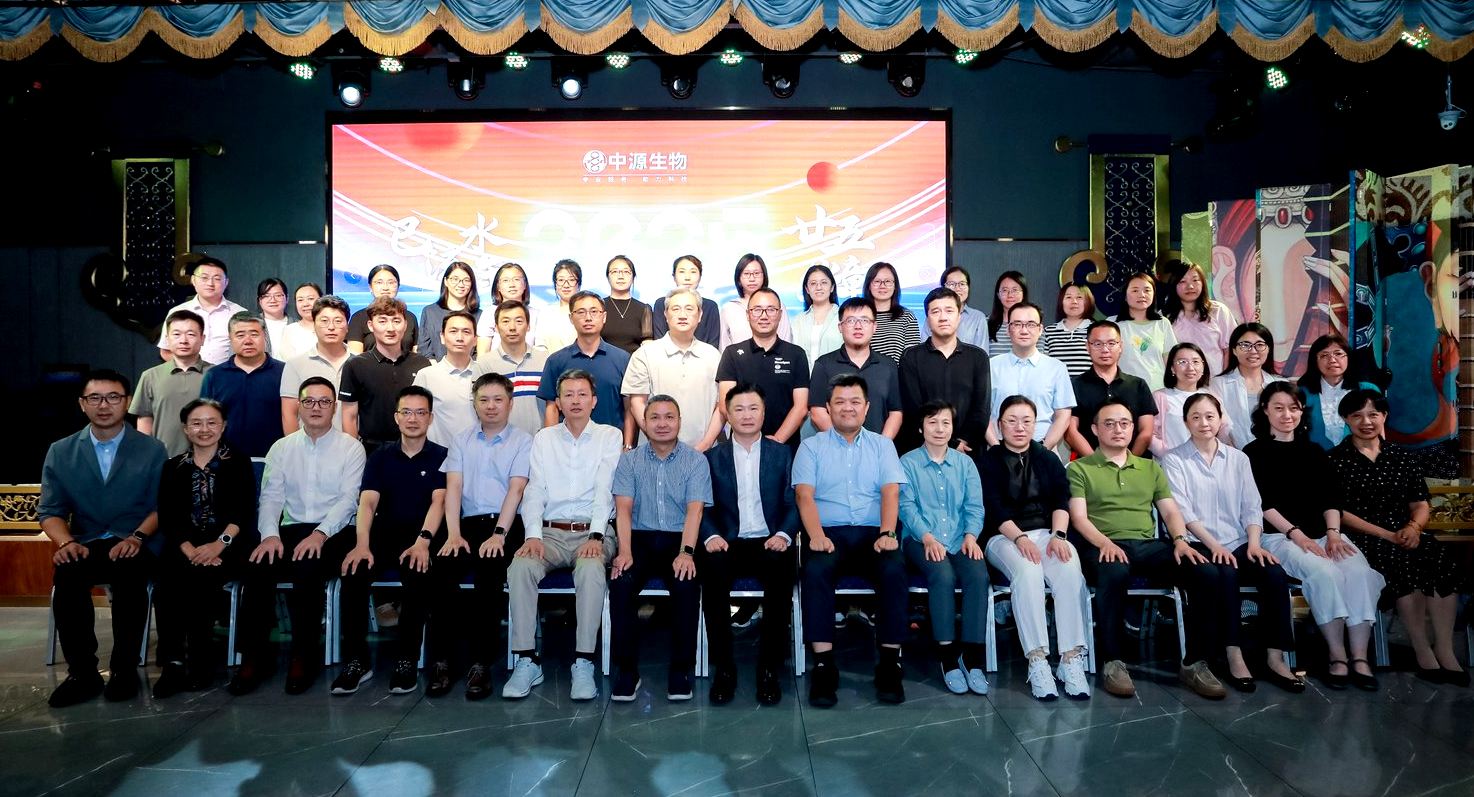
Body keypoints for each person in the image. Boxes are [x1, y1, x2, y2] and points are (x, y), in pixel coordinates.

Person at [1066, 400, 1228, 700]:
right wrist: (1104, 543)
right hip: (1100, 545)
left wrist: (1180, 539)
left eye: (1124, 423)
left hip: (1146, 545)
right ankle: (1113, 662)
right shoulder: (1079, 468)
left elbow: (1170, 511)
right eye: (1109, 424)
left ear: (1133, 428)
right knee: (1114, 572)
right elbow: (1079, 518)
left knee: (1206, 572)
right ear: (1095, 430)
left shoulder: (1150, 467)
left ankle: (1195, 663)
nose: (1118, 429)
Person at [39, 369, 168, 707]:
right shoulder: (61, 451)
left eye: (113, 397)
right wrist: (66, 543)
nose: (104, 405)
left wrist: (137, 537)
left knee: (129, 575)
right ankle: (82, 673)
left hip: (137, 539)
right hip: (86, 540)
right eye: (94, 398)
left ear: (126, 402)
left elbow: (162, 507)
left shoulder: (152, 449)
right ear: (82, 404)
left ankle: (124, 670)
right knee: (67, 577)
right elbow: (50, 510)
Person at [1159, 393, 1305, 693]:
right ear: (1185, 422)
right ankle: (1234, 654)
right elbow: (1182, 512)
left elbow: (1252, 506)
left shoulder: (1238, 459)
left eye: (1210, 416)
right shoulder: (1174, 459)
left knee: (1273, 574)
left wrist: (1255, 543)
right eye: (1196, 417)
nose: (1204, 423)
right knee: (1225, 574)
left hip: (1240, 541)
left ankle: (1276, 657)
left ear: (1220, 419)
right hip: (1199, 543)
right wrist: (1214, 546)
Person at [1244, 382, 1386, 691]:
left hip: (1324, 534)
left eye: (1293, 408)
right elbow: (1261, 504)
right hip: (1279, 537)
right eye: (1279, 408)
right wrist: (1297, 535)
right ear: (1265, 411)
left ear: (1301, 412)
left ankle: (1360, 658)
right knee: (1324, 573)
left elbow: (1331, 498)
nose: (1287, 415)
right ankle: (1336, 656)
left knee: (1359, 573)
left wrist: (1334, 534)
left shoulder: (1315, 450)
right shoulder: (1253, 452)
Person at [1328, 389, 1467, 686]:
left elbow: (1420, 504)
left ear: (1384, 416)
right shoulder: (1335, 459)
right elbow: (1339, 512)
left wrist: (1413, 528)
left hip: (1406, 532)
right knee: (1403, 566)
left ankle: (1445, 649)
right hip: (1366, 538)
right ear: (1345, 419)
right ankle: (1422, 650)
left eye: (1373, 414)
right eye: (1357, 416)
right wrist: (1389, 535)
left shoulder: (1401, 456)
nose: (1366, 422)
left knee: (1440, 563)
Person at [240, 377, 366, 695]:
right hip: (290, 529)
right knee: (258, 565)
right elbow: (271, 498)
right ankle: (253, 656)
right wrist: (270, 536)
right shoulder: (281, 448)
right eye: (309, 401)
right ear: (299, 406)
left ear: (334, 408)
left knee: (308, 566)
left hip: (336, 531)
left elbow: (348, 501)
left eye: (324, 401)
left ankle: (302, 655)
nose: (316, 407)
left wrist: (320, 534)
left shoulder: (351, 447)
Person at [793, 375, 910, 707]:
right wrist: (816, 535)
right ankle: (823, 666)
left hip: (874, 533)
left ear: (867, 407)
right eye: (840, 402)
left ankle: (890, 664)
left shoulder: (883, 446)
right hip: (828, 534)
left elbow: (890, 492)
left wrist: (888, 533)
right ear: (828, 408)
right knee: (815, 571)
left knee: (894, 570)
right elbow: (804, 496)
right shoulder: (811, 447)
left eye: (855, 401)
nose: (848, 408)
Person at [505, 369, 621, 701]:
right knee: (520, 567)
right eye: (568, 394)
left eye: (582, 394)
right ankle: (527, 659)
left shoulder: (609, 436)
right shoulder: (544, 438)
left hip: (593, 531)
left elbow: (605, 490)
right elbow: (535, 490)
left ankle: (583, 662)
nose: (575, 400)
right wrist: (532, 535)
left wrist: (596, 536)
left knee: (590, 569)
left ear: (594, 401)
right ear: (557, 402)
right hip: (550, 533)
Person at [337, 386, 448, 696]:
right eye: (406, 412)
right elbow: (367, 503)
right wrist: (361, 544)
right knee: (353, 572)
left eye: (420, 412)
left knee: (417, 574)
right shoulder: (379, 457)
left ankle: (406, 660)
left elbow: (439, 502)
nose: (413, 419)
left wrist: (423, 542)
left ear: (430, 418)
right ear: (396, 417)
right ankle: (357, 662)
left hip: (422, 538)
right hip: (383, 537)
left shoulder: (442, 456)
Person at [978, 396, 1091, 700]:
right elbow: (992, 508)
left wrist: (1059, 535)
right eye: (1011, 421)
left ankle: (1070, 659)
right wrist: (1019, 538)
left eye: (1026, 421)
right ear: (999, 425)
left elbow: (1061, 499)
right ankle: (1037, 659)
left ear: (1035, 424)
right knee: (1028, 570)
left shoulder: (1047, 458)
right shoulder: (988, 461)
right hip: (1003, 536)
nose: (1019, 427)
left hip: (1046, 533)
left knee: (1069, 568)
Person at [698, 383, 800, 705]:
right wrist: (711, 535)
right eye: (738, 409)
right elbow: (701, 506)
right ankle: (724, 668)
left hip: (770, 540)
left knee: (780, 575)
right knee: (712, 574)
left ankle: (768, 668)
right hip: (727, 541)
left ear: (764, 413)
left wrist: (783, 535)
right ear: (727, 415)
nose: (746, 415)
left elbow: (793, 502)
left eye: (753, 408)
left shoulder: (782, 453)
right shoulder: (712, 458)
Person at [608, 396, 713, 701]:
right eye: (655, 417)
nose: (662, 423)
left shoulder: (695, 460)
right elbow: (623, 510)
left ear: (679, 422)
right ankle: (627, 670)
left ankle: (680, 669)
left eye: (669, 417)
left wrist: (687, 552)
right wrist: (624, 551)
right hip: (638, 539)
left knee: (686, 584)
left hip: (679, 539)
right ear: (644, 423)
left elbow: (695, 511)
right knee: (620, 582)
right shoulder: (630, 460)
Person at [152, 398, 256, 698]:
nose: (204, 429)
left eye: (212, 422)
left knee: (202, 582)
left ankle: (200, 662)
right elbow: (168, 516)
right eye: (196, 423)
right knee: (167, 585)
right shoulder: (173, 467)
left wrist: (217, 546)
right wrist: (189, 550)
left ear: (223, 427)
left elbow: (243, 512)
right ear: (186, 429)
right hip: (183, 545)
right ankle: (172, 663)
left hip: (229, 544)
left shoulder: (238, 462)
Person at [442, 373, 534, 699]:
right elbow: (453, 487)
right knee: (441, 572)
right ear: (475, 403)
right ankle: (445, 659)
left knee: (488, 576)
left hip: (506, 526)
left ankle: (481, 663)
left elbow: (516, 489)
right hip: (466, 526)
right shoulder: (461, 440)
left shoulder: (523, 440)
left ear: (510, 403)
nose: (491, 406)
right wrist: (453, 534)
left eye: (498, 399)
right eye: (484, 400)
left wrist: (499, 534)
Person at [898, 400, 990, 695]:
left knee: (978, 576)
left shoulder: (965, 464)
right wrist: (927, 537)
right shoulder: (907, 463)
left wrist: (971, 536)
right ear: (921, 428)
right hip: (919, 540)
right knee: (942, 575)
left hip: (960, 539)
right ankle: (948, 657)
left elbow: (975, 506)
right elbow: (906, 507)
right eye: (932, 422)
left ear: (953, 428)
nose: (939, 429)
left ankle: (972, 657)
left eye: (946, 422)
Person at [622, 287, 723, 450]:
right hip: (655, 451)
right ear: (666, 315)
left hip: (704, 453)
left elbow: (721, 406)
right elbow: (637, 402)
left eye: (689, 309)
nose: (682, 315)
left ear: (700, 315)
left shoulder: (713, 356)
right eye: (676, 309)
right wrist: (658, 439)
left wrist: (705, 445)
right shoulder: (645, 354)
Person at [898, 287, 992, 454]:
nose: (943, 317)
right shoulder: (911, 357)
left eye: (949, 311)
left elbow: (981, 409)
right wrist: (952, 444)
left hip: (968, 450)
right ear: (927, 319)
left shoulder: (978, 358)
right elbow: (913, 409)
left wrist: (963, 443)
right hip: (923, 450)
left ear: (959, 316)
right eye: (935, 312)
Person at [717, 287, 811, 448]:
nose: (764, 316)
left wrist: (776, 440)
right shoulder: (732, 353)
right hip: (742, 446)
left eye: (771, 310)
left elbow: (801, 407)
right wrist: (752, 439)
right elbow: (725, 404)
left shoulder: (796, 354)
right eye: (757, 310)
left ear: (780, 314)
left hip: (784, 448)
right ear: (748, 315)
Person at [536, 290, 634, 441]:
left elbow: (629, 409)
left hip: (611, 446)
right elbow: (552, 409)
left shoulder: (622, 359)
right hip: (568, 446)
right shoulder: (556, 361)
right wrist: (552, 445)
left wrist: (627, 446)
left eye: (594, 312)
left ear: (604, 317)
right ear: (571, 318)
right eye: (581, 312)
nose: (588, 318)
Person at [340, 296, 432, 455]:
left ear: (405, 325)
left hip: (416, 449)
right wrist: (353, 455)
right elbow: (349, 417)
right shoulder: (355, 365)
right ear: (370, 325)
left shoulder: (421, 364)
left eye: (396, 321)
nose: (390, 328)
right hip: (371, 451)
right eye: (382, 321)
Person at [808, 297, 904, 439]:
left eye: (865, 320)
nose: (858, 326)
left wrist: (881, 446)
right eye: (851, 320)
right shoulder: (823, 364)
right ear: (840, 327)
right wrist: (844, 444)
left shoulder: (889, 366)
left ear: (874, 326)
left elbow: (896, 413)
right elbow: (817, 412)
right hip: (835, 447)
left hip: (878, 448)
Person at [985, 301, 1075, 451]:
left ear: (1040, 330)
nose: (1024, 330)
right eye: (1017, 324)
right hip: (999, 449)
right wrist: (997, 449)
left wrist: (1043, 450)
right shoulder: (991, 366)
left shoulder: (1057, 368)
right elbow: (983, 413)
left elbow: (1063, 416)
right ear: (1008, 330)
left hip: (1044, 448)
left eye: (1031, 324)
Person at [201, 312, 287, 458]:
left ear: (265, 336)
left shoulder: (285, 372)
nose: (248, 341)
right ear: (230, 339)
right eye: (240, 335)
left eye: (254, 334)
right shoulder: (214, 375)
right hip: (225, 461)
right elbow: (206, 420)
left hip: (274, 460)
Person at [1067, 320, 1155, 457]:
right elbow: (1070, 431)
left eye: (1111, 343)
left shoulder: (1138, 385)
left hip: (1135, 463)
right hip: (1090, 465)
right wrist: (1097, 463)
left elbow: (1146, 431)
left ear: (1120, 346)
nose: (1105, 349)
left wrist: (1128, 462)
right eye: (1097, 344)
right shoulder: (1074, 385)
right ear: (1087, 347)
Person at [132, 309, 211, 457]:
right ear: (167, 339)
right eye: (176, 334)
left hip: (208, 459)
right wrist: (146, 456)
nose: (183, 340)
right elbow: (144, 421)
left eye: (191, 334)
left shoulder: (216, 374)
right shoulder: (150, 376)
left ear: (202, 338)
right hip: (162, 458)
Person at [280, 295, 352, 434]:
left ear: (347, 326)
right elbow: (289, 414)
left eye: (338, 321)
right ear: (313, 325)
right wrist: (295, 446)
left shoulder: (359, 362)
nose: (331, 327)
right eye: (324, 321)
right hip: (308, 444)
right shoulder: (295, 365)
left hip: (351, 444)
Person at [156, 256, 246, 365]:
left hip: (226, 374)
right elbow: (166, 351)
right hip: (187, 374)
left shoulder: (240, 314)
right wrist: (190, 369)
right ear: (193, 280)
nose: (210, 283)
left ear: (226, 283)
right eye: (204, 277)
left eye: (217, 279)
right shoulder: (177, 312)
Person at [1149, 342, 1231, 457]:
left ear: (1203, 367)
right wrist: (1170, 456)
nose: (1190, 368)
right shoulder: (1160, 397)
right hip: (1172, 461)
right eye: (1182, 362)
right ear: (1172, 368)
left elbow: (1224, 429)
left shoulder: (1212, 396)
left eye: (1195, 362)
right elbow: (1150, 434)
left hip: (1209, 461)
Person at [411, 310, 480, 447]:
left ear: (475, 339)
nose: (459, 338)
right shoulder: (426, 376)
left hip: (479, 455)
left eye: (466, 332)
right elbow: (414, 420)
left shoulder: (485, 374)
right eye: (453, 331)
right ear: (442, 337)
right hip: (438, 456)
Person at [480, 300, 548, 437]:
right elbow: (481, 409)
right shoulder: (484, 364)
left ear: (528, 326)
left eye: (519, 321)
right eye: (505, 321)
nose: (512, 327)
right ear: (496, 328)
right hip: (500, 443)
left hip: (540, 441)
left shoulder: (546, 360)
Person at [1300, 333, 1378, 450]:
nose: (1332, 360)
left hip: (1359, 457)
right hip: (1314, 458)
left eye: (1338, 354)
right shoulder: (1302, 393)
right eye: (1324, 355)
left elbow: (1378, 430)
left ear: (1348, 358)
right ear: (1315, 362)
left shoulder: (1367, 390)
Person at [1215, 322, 1286, 448]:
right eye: (1245, 345)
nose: (1253, 351)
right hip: (1232, 455)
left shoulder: (1282, 385)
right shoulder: (1217, 385)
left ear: (1268, 349)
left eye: (1260, 345)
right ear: (1234, 350)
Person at [1163, 260, 1238, 371]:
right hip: (1180, 379)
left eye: (1195, 280)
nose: (1190, 286)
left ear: (1203, 283)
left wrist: (1224, 378)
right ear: (1174, 285)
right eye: (1182, 281)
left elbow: (1229, 350)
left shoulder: (1218, 311)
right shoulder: (1164, 317)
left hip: (1215, 379)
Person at [1115, 272, 1177, 392]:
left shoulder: (1162, 323)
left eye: (1147, 290)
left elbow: (1169, 361)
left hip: (1158, 390)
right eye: (1135, 290)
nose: (1142, 295)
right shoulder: (1114, 324)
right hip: (1124, 390)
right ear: (1125, 296)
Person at [720, 253, 793, 349]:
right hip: (739, 358)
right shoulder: (729, 308)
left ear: (764, 276)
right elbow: (724, 345)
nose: (752, 278)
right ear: (738, 278)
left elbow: (786, 339)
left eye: (757, 273)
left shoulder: (777, 305)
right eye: (746, 274)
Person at [346, 264, 420, 354]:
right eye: (379, 282)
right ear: (370, 287)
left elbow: (416, 352)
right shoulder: (358, 318)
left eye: (391, 282)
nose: (385, 288)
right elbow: (355, 356)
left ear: (398, 286)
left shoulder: (409, 317)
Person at [652, 254, 721, 348]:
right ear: (674, 277)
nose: (687, 277)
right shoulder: (661, 304)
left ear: (700, 276)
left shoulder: (711, 307)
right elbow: (659, 340)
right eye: (682, 272)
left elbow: (713, 343)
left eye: (693, 272)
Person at [418, 261, 481, 362]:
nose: (461, 284)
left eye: (466, 280)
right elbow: (425, 350)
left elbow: (480, 352)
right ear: (446, 281)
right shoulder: (430, 312)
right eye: (455, 279)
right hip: (436, 369)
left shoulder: (480, 315)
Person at [476, 262, 541, 356]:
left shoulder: (536, 314)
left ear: (525, 285)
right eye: (505, 280)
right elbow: (482, 354)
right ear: (498, 286)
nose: (512, 285)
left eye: (516, 279)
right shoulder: (489, 314)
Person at [863, 261, 919, 364]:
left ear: (895, 285)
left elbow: (913, 355)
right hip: (864, 373)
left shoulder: (907, 316)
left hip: (897, 373)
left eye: (888, 281)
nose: (882, 286)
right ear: (869, 285)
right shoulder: (861, 317)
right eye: (877, 281)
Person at [601, 255, 654, 354]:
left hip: (634, 362)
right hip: (603, 360)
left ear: (633, 277)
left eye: (626, 272)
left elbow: (647, 345)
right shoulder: (599, 307)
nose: (621, 276)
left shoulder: (644, 309)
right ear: (608, 277)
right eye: (615, 272)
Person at [792, 264, 843, 365]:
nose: (818, 287)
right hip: (804, 375)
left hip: (837, 374)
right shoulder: (798, 321)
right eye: (813, 283)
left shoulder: (843, 318)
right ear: (807, 289)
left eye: (824, 282)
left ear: (832, 287)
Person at [1041, 282, 1095, 377]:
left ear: (1088, 301)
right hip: (1057, 385)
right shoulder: (1049, 331)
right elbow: (1044, 366)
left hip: (1087, 385)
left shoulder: (1096, 330)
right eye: (1068, 297)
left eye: (1079, 297)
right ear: (1061, 302)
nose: (1074, 301)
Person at [538, 259, 583, 353]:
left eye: (571, 280)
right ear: (555, 283)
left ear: (578, 283)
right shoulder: (545, 313)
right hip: (552, 361)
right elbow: (540, 345)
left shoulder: (588, 312)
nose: (566, 285)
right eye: (561, 280)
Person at [939, 266, 988, 348]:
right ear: (943, 288)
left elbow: (982, 352)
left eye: (962, 284)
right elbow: (924, 350)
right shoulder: (935, 315)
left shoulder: (978, 318)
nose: (957, 289)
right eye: (951, 284)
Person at [985, 271, 1028, 357]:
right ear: (998, 294)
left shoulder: (1033, 324)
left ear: (1023, 293)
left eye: (1015, 290)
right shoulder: (985, 323)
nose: (1010, 295)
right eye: (1005, 290)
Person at [277, 282, 322, 362]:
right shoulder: (290, 330)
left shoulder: (331, 327)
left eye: (310, 298)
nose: (305, 304)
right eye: (300, 300)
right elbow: (288, 362)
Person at [257, 278, 292, 357]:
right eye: (266, 296)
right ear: (259, 300)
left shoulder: (297, 325)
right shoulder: (249, 324)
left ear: (287, 298)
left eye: (278, 295)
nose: (272, 300)